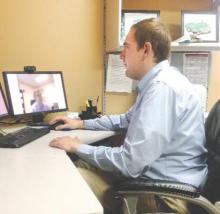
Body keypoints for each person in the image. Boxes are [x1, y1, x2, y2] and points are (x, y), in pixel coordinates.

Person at [49, 18, 207, 213]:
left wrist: (78, 146)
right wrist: (80, 123)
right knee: (81, 163)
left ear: (146, 50)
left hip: (164, 196)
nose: (122, 54)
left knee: (69, 179)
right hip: (159, 179)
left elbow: (130, 163)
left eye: (127, 47)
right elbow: (124, 120)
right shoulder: (158, 83)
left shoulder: (161, 90)